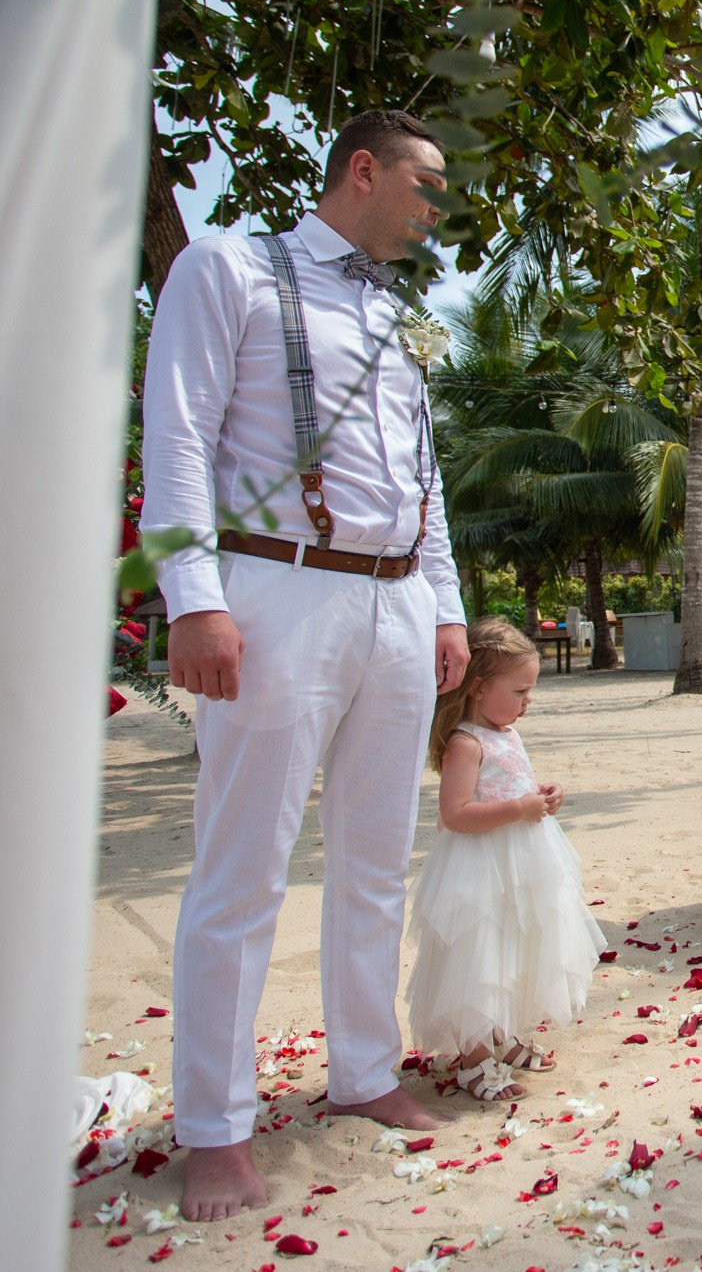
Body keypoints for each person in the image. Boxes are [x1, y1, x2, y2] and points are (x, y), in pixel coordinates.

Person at [140, 110, 472, 1220]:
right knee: (243, 870)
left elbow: (423, 475)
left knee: (375, 860)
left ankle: (364, 1073)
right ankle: (215, 1128)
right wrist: (194, 598)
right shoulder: (229, 267)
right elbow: (178, 435)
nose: (436, 210)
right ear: (363, 170)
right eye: (426, 185)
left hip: (395, 600)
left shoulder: (397, 313)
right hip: (274, 588)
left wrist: (445, 605)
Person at [406, 619, 605, 1102]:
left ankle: (503, 1035)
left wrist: (541, 795)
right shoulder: (466, 743)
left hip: (523, 862)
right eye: (519, 690)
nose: (527, 700)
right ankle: (474, 1057)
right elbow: (455, 814)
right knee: (482, 955)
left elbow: (512, 785)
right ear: (477, 687)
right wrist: (518, 808)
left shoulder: (506, 734)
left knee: (517, 949)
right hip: (479, 867)